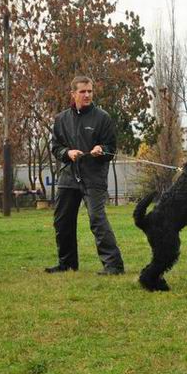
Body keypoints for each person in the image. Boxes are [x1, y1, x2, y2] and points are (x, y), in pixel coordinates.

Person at [45, 76, 125, 275]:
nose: (87, 94)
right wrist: (67, 153)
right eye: (83, 91)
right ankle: (67, 264)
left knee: (97, 219)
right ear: (73, 94)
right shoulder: (61, 119)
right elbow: (56, 148)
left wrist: (101, 149)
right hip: (69, 176)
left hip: (93, 176)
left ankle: (113, 266)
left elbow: (111, 148)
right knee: (62, 220)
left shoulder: (102, 118)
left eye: (90, 91)